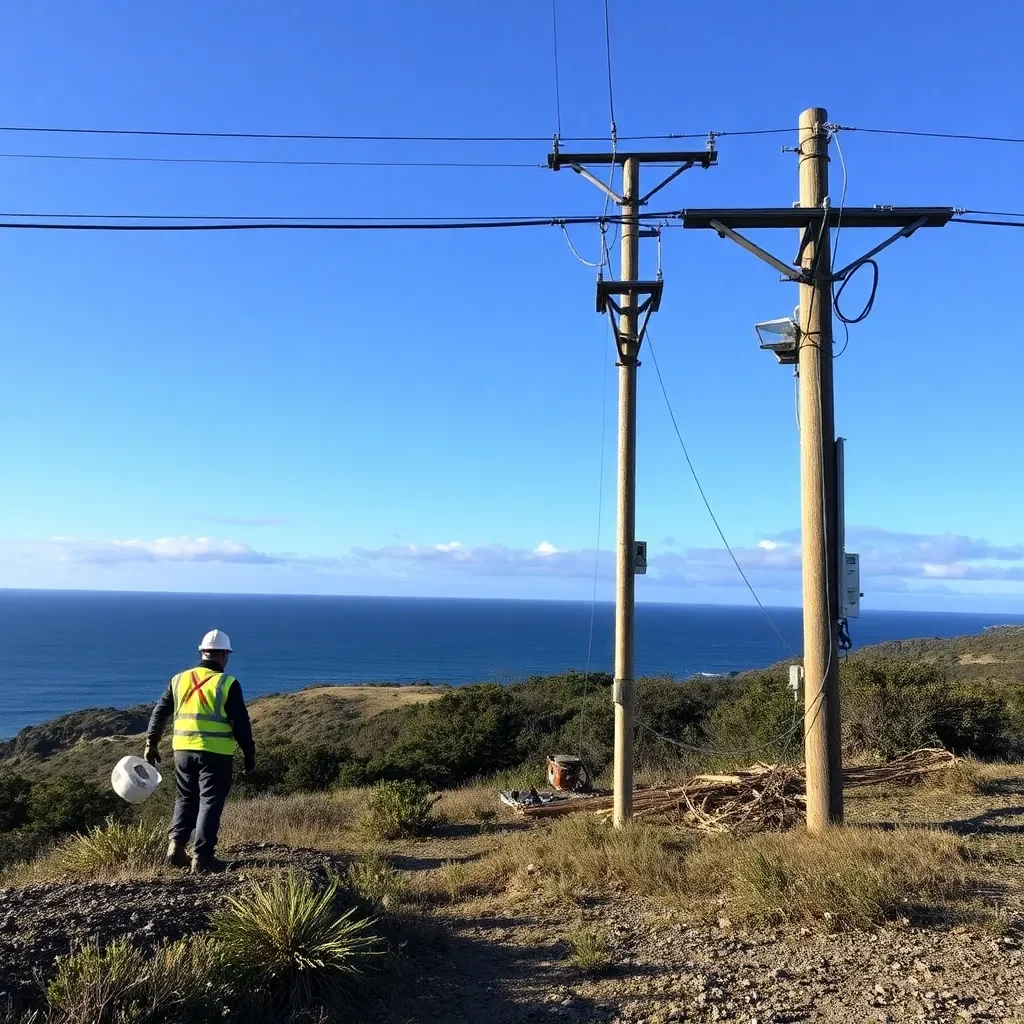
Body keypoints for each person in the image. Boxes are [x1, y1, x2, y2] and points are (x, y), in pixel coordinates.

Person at [144, 629, 255, 873]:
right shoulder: (227, 683)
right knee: (210, 801)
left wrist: (151, 744)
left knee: (185, 797)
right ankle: (203, 857)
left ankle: (176, 845)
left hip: (182, 750)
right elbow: (240, 723)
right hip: (215, 752)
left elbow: (159, 713)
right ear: (225, 655)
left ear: (202, 652)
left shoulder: (179, 679)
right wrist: (249, 753)